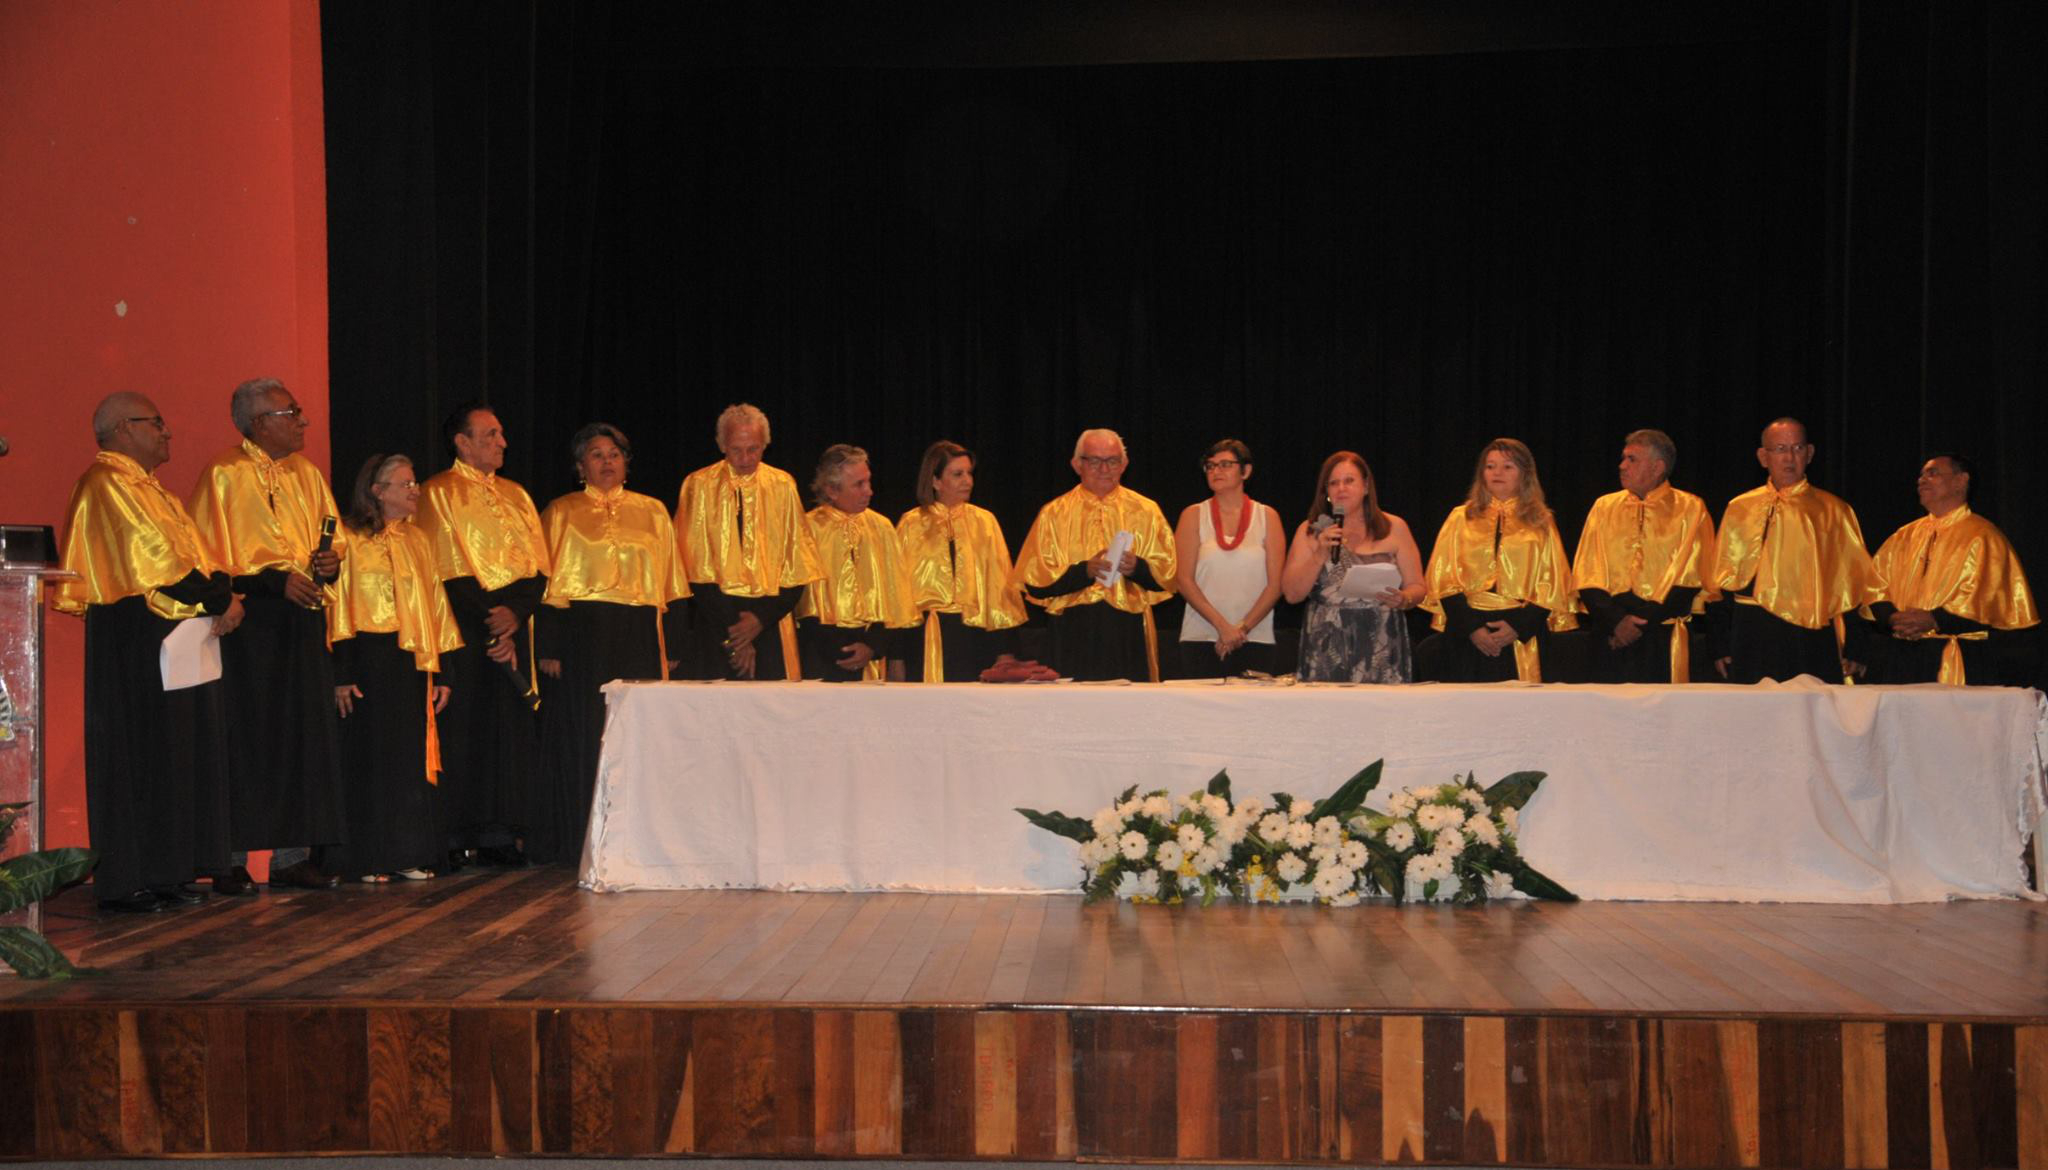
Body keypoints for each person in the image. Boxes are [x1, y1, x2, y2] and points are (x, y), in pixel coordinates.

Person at [53, 393, 240, 913]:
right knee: (141, 754)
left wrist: (223, 594)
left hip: (176, 633)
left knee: (176, 755)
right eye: (155, 423)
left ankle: (169, 869)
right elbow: (151, 560)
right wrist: (219, 597)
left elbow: (191, 551)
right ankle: (129, 878)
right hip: (136, 636)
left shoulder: (150, 487)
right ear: (120, 429)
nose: (167, 432)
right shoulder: (106, 482)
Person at [185, 377, 345, 891]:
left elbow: (334, 536)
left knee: (301, 735)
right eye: (290, 412)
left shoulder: (308, 473)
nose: (302, 420)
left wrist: (329, 561)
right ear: (258, 423)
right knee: (245, 736)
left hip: (301, 620)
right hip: (249, 623)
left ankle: (292, 855)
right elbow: (208, 554)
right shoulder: (224, 474)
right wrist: (275, 580)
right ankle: (226, 855)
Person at [532, 424, 689, 864]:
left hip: (639, 631)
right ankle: (580, 839)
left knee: (638, 731)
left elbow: (674, 585)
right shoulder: (561, 511)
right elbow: (546, 585)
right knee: (587, 733)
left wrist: (673, 644)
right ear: (580, 465)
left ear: (626, 461)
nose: (606, 462)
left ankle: (639, 838)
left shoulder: (654, 511)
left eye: (614, 454)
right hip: (582, 632)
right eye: (596, 455)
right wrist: (549, 646)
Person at [416, 402, 550, 869]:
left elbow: (539, 567)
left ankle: (499, 831)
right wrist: (491, 621)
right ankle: (455, 834)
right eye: (491, 435)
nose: (502, 443)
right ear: (462, 442)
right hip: (464, 625)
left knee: (508, 731)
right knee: (465, 726)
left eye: (501, 434)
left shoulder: (517, 494)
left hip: (512, 623)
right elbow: (443, 568)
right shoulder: (438, 492)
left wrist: (514, 615)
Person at [324, 454, 461, 882]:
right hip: (365, 657)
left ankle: (407, 852)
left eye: (414, 481)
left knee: (408, 759)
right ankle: (368, 857)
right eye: (405, 483)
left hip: (411, 660)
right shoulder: (348, 538)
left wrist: (444, 672)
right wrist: (341, 672)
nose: (415, 490)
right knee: (369, 758)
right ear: (377, 491)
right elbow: (337, 608)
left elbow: (437, 607)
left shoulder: (417, 540)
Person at [1707, 418, 1883, 684]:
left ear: (1810, 453)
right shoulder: (1740, 508)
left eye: (1797, 448)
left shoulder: (1833, 510)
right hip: (1750, 632)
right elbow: (1720, 582)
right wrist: (1719, 642)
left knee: (1808, 714)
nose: (1789, 457)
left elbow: (1854, 581)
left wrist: (1857, 645)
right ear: (1763, 457)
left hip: (1808, 632)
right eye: (1779, 449)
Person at [1011, 428, 1177, 681]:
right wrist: (1083, 571)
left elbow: (1170, 577)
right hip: (1070, 631)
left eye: (1112, 460)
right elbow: (1034, 584)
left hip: (1127, 631)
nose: (1104, 469)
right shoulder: (1053, 513)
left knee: (1129, 713)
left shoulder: (1146, 511)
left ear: (1124, 465)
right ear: (1077, 464)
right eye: (1095, 461)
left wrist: (1138, 568)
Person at [674, 403, 821, 680]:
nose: (744, 458)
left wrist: (759, 621)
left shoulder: (783, 485)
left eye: (752, 449)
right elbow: (691, 568)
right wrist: (737, 636)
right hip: (716, 624)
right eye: (735, 450)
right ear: (721, 445)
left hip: (770, 623)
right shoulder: (698, 485)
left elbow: (797, 566)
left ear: (765, 445)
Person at [1864, 454, 2038, 685]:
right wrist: (1893, 618)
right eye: (1921, 474)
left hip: (1957, 655)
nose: (1921, 480)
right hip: (1900, 655)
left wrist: (1935, 620)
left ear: (1960, 481)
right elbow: (1873, 585)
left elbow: (1989, 597)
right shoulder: (1903, 536)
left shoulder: (1983, 536)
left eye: (1932, 473)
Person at [1418, 438, 1577, 682]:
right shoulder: (1460, 518)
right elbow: (1443, 579)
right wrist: (1472, 628)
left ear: (1524, 474)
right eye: (1490, 466)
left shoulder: (1541, 522)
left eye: (1507, 466)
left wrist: (1517, 627)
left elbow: (1553, 585)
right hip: (1467, 629)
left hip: (1520, 629)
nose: (1497, 473)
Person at [1570, 429, 1718, 683]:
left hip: (1662, 632)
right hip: (1609, 633)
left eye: (1631, 459)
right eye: (1623, 459)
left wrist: (1638, 623)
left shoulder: (1690, 507)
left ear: (1657, 466)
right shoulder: (1603, 506)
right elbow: (1586, 572)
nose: (1622, 466)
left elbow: (1692, 576)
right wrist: (1616, 622)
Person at [1281, 450, 1424, 682]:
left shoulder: (1394, 527)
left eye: (1349, 481)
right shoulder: (1312, 530)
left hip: (1381, 645)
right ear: (1326, 492)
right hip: (1328, 645)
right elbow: (1291, 594)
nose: (1341, 489)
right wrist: (1319, 554)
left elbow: (1418, 586)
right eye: (1333, 483)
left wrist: (1405, 598)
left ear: (1366, 486)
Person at [894, 440, 1026, 682]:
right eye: (957, 474)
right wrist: (896, 657)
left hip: (975, 637)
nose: (968, 480)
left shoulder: (984, 522)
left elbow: (1001, 588)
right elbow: (898, 595)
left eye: (969, 473)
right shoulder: (911, 524)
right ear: (935, 481)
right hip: (923, 637)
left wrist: (1005, 651)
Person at [793, 445, 918, 681]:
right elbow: (803, 601)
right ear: (831, 490)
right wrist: (838, 651)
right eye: (859, 484)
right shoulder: (809, 528)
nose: (869, 491)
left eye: (868, 482)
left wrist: (873, 646)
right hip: (820, 657)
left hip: (872, 654)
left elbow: (896, 597)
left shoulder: (881, 527)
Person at [1174, 440, 1285, 678]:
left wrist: (1241, 629)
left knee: (1254, 714)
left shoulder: (1267, 517)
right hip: (1202, 637)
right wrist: (1223, 627)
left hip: (1255, 637)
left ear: (1245, 471)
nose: (1216, 471)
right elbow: (1183, 580)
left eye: (1225, 465)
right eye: (1210, 466)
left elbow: (1276, 585)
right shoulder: (1193, 515)